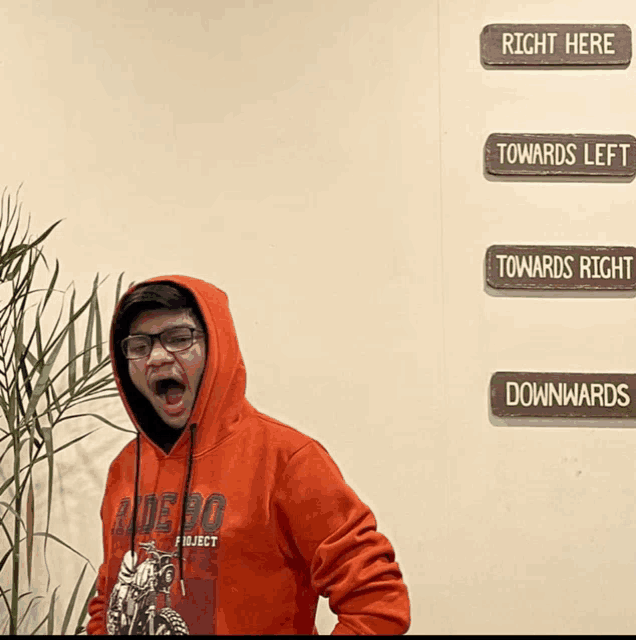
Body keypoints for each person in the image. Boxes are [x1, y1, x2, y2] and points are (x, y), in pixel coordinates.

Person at [87, 275, 410, 635]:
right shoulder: (125, 468)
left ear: (217, 346)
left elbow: (378, 605)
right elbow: (109, 598)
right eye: (139, 345)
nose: (157, 357)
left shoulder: (288, 459)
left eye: (179, 338)